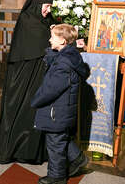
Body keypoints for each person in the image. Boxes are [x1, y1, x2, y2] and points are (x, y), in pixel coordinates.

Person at [0, 0, 54, 164]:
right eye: (46, 5)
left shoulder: (46, 20)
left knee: (36, 114)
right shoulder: (27, 19)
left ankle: (34, 152)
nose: (48, 10)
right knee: (21, 112)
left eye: (50, 6)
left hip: (38, 76)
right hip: (23, 78)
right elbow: (44, 39)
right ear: (37, 4)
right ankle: (15, 150)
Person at [31, 24, 89, 184]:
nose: (49, 39)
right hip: (61, 110)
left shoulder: (63, 64)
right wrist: (51, 51)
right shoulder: (69, 56)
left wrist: (36, 100)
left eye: (53, 37)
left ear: (63, 41)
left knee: (55, 143)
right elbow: (53, 60)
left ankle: (57, 177)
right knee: (60, 138)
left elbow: (51, 89)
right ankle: (78, 159)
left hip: (56, 111)